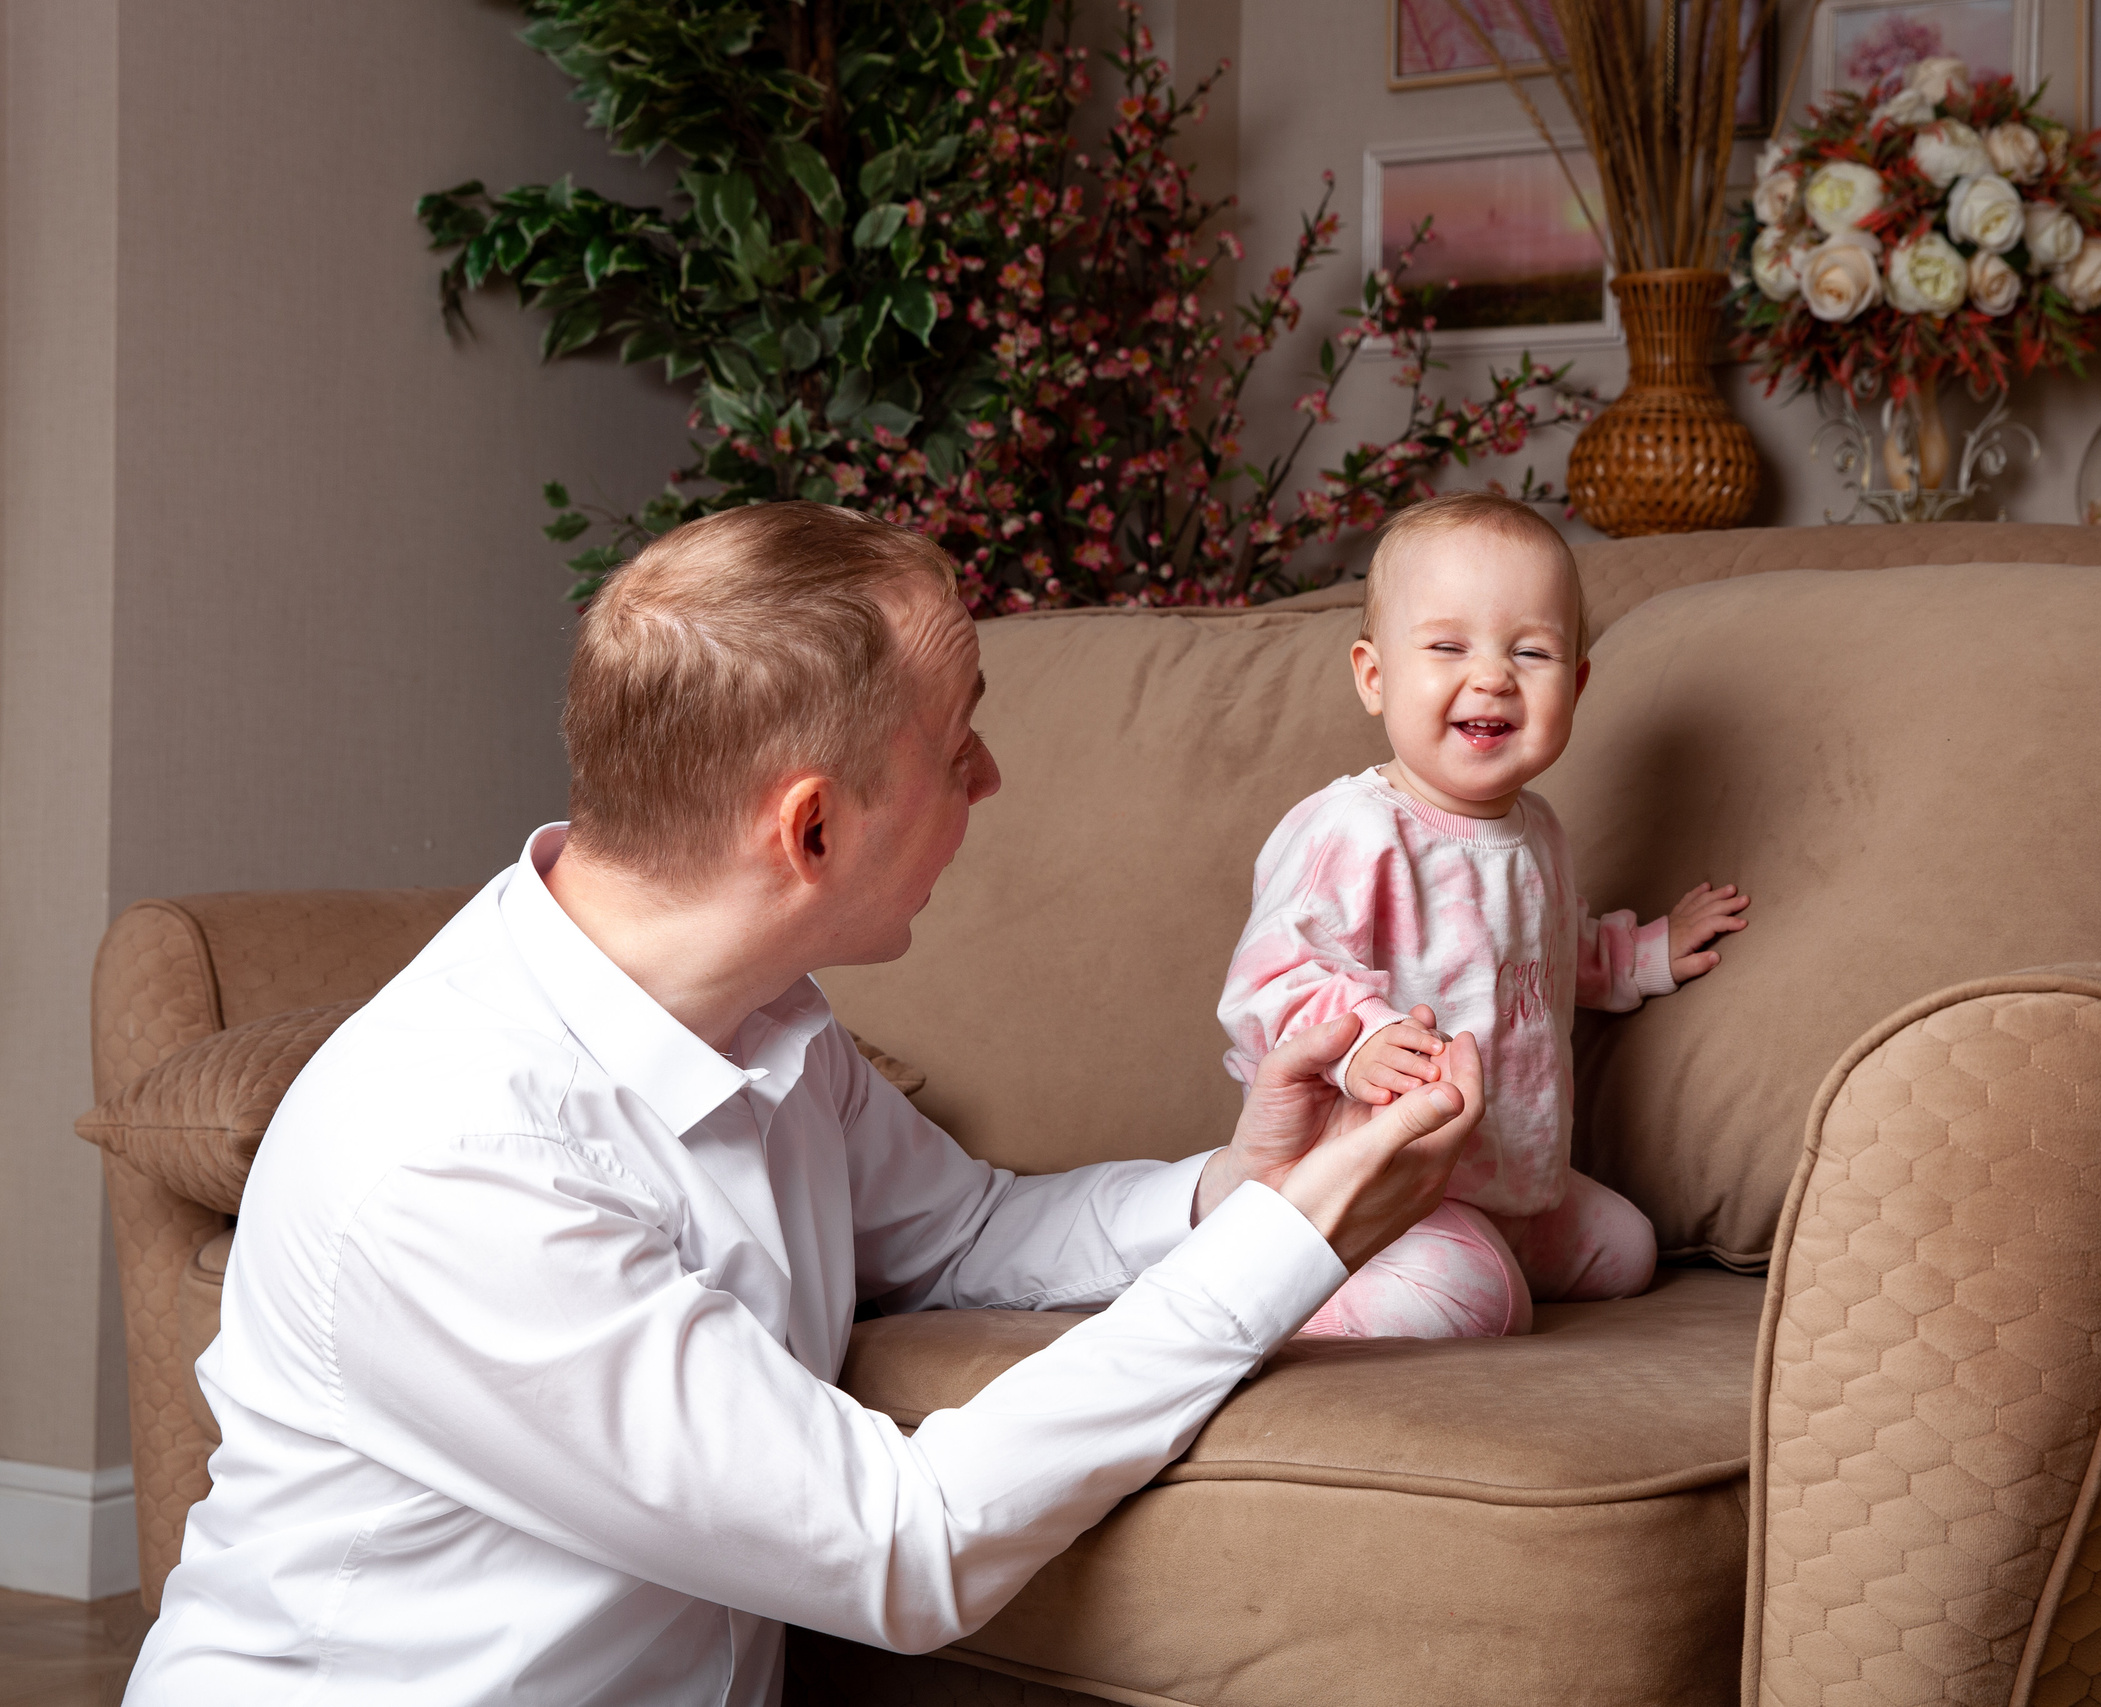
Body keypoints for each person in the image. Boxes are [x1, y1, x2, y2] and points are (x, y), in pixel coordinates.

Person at [123, 503, 1483, 1705]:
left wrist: (1238, 1183)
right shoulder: (457, 1163)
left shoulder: (763, 1012)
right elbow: (905, 1542)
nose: (992, 778)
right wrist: (1297, 1241)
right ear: (812, 827)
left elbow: (959, 1235)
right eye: (959, 744)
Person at [1216, 492, 1748, 1339]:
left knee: (1628, 1249)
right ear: (1374, 675)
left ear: (1574, 685)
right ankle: (1263, 1279)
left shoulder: (1538, 828)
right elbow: (1271, 975)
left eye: (1530, 651)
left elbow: (1551, 953)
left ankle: (1495, 1249)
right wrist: (1357, 1042)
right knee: (1476, 1299)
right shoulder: (1355, 829)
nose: (1494, 674)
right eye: (1448, 646)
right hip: (1384, 1176)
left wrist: (1646, 954)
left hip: (1515, 1174)